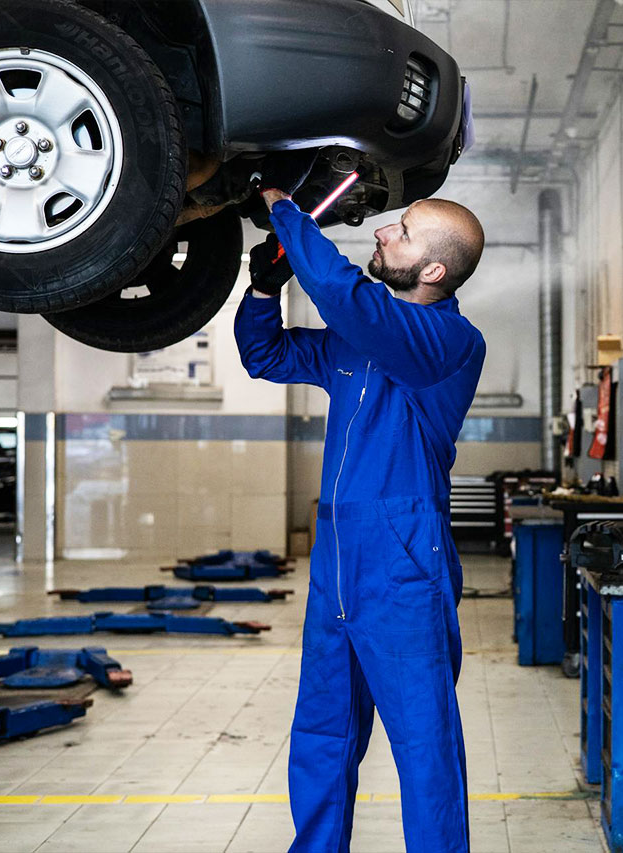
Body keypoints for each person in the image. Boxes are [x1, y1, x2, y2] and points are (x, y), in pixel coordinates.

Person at [234, 157, 485, 852]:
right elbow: (269, 356)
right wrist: (261, 290)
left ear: (433, 270)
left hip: (404, 565)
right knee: (321, 731)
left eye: (400, 232)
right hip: (338, 559)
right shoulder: (360, 339)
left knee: (424, 746)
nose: (382, 231)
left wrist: (288, 209)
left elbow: (349, 298)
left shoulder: (448, 343)